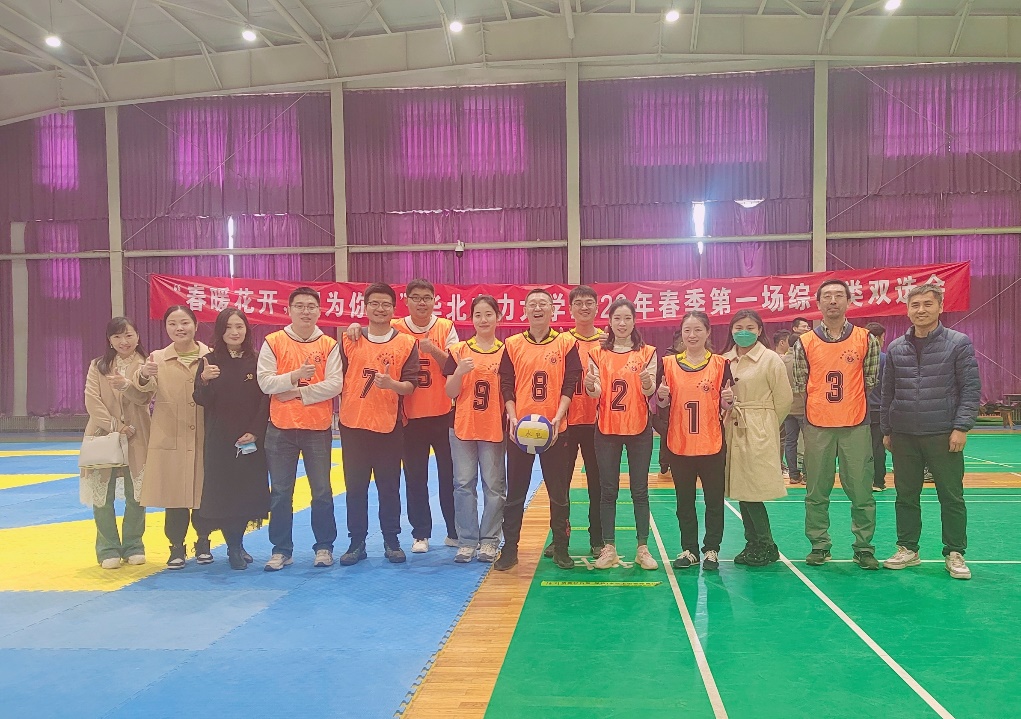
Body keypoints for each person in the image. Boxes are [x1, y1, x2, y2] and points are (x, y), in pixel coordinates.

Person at [348, 279, 459, 553]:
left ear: (434, 301)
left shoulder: (446, 327)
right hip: (409, 416)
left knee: (451, 477)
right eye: (416, 297)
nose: (422, 303)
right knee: (414, 478)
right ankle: (420, 533)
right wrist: (354, 327)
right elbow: (369, 334)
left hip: (444, 414)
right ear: (406, 301)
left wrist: (433, 350)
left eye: (427, 298)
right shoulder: (395, 328)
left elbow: (454, 367)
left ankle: (455, 531)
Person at [881, 284, 980, 580]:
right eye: (915, 305)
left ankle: (955, 552)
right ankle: (907, 548)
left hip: (943, 433)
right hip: (904, 434)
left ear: (940, 307)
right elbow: (887, 392)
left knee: (951, 496)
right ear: (907, 310)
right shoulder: (896, 347)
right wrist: (887, 429)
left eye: (927, 304)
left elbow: (970, 388)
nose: (921, 310)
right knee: (905, 495)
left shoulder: (958, 343)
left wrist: (961, 427)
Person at [793, 279, 881, 570]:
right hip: (817, 425)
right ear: (818, 303)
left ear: (848, 301)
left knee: (861, 491)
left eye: (839, 295)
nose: (833, 300)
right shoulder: (805, 342)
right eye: (827, 296)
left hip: (855, 424)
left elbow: (870, 381)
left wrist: (848, 404)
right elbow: (801, 384)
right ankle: (819, 545)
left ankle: (863, 547)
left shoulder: (866, 339)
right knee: (816, 491)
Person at [495, 288, 582, 571]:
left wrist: (558, 417)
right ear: (524, 311)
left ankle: (561, 547)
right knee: (516, 492)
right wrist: (512, 417)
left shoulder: (566, 343)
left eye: (543, 303)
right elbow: (506, 384)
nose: (537, 308)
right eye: (532, 304)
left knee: (558, 493)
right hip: (520, 430)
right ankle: (510, 549)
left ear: (552, 310)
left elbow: (570, 383)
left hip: (555, 429)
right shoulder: (512, 344)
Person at [257, 287, 343, 571]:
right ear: (289, 310)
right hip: (280, 428)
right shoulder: (273, 342)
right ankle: (281, 549)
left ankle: (324, 547)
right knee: (281, 493)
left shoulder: (329, 344)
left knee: (322, 492)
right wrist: (295, 375)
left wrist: (295, 392)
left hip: (317, 428)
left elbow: (335, 385)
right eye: (300, 306)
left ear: (319, 311)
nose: (306, 311)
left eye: (311, 306)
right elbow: (265, 383)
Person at [337, 282, 420, 565]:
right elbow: (337, 379)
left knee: (389, 487)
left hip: (388, 426)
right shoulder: (349, 339)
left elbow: (411, 385)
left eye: (386, 304)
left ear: (394, 309)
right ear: (365, 307)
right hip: (353, 425)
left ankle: (392, 540)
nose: (380, 308)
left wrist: (392, 384)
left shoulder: (406, 343)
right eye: (374, 303)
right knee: (355, 488)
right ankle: (356, 542)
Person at [134, 305, 213, 570]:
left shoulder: (211, 356)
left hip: (203, 434)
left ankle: (204, 542)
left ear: (196, 325)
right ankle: (176, 547)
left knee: (203, 494)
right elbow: (141, 396)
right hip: (171, 436)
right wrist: (142, 376)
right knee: (174, 496)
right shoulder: (156, 358)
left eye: (185, 323)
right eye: (172, 323)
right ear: (166, 327)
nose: (179, 328)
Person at [194, 309, 270, 570]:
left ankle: (237, 543)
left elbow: (265, 400)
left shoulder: (257, 360)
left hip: (250, 438)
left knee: (247, 492)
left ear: (247, 329)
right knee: (225, 493)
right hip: (220, 438)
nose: (234, 332)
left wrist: (255, 431)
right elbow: (201, 400)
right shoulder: (209, 361)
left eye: (239, 326)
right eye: (228, 327)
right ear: (220, 331)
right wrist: (204, 381)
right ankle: (234, 547)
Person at [588, 299, 660, 571]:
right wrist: (590, 386)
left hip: (639, 428)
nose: (621, 323)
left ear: (634, 321)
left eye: (627, 318)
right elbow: (596, 393)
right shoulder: (597, 354)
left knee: (639, 490)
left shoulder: (647, 353)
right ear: (609, 322)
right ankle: (609, 548)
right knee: (608, 490)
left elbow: (649, 392)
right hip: (607, 429)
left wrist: (647, 383)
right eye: (617, 318)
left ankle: (642, 547)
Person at [658, 311, 732, 571]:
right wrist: (661, 396)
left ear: (708, 332)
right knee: (684, 502)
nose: (692, 335)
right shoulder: (667, 364)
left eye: (698, 329)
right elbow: (661, 404)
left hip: (711, 444)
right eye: (687, 330)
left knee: (714, 501)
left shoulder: (721, 364)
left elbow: (727, 404)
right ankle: (689, 549)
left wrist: (729, 400)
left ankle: (712, 549)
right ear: (681, 333)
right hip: (680, 444)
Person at [723, 310, 792, 566]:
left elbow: (784, 399)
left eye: (750, 327)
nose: (744, 332)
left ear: (760, 330)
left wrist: (766, 424)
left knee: (753, 490)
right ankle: (752, 542)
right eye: (738, 327)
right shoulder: (724, 359)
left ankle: (766, 544)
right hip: (733, 427)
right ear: (731, 330)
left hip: (758, 428)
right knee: (741, 489)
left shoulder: (770, 359)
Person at [81, 317, 151, 569]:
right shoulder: (97, 366)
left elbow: (145, 398)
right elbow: (92, 400)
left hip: (138, 435)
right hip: (102, 435)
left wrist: (128, 385)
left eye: (129, 335)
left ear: (138, 337)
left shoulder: (147, 365)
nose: (124, 341)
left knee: (137, 495)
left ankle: (134, 545)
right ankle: (107, 548)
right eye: (118, 336)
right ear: (109, 340)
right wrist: (115, 426)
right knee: (102, 495)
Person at [443, 295, 507, 563]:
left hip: (493, 426)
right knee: (463, 484)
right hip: (462, 427)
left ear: (498, 317)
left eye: (488, 314)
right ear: (471, 319)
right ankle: (467, 540)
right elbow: (449, 392)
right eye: (478, 315)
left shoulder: (507, 351)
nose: (483, 320)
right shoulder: (458, 350)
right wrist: (459, 372)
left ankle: (490, 540)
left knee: (494, 486)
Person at [545, 285, 606, 560]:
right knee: (560, 485)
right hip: (566, 423)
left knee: (597, 485)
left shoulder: (606, 342)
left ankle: (597, 538)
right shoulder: (561, 341)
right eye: (578, 303)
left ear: (597, 307)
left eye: (589, 302)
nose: (584, 307)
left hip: (597, 423)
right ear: (570, 309)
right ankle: (559, 537)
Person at [865, 322, 888, 492]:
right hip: (879, 408)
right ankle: (878, 481)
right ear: (878, 338)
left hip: (861, 410)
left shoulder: (858, 357)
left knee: (861, 448)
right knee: (878, 446)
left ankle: (862, 481)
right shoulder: (884, 359)